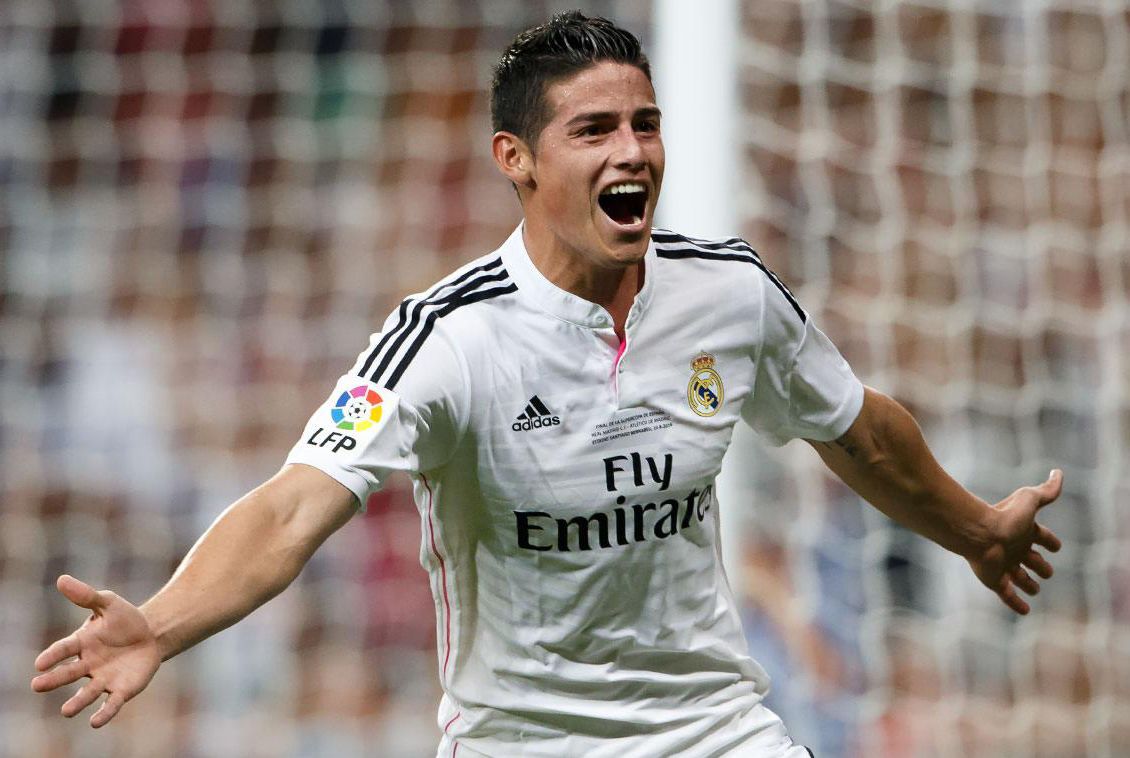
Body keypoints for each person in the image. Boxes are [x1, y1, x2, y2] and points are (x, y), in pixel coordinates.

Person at [32, 12, 1065, 757]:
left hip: (713, 730)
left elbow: (857, 430)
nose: (633, 152)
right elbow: (293, 503)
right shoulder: (444, 339)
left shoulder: (729, 293)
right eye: (594, 130)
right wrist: (161, 624)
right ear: (514, 159)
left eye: (643, 123)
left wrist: (973, 526)